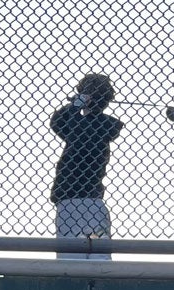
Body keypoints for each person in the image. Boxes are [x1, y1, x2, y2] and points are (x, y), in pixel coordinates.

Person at [50, 73, 123, 260]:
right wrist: (75, 106)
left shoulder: (103, 125)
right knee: (75, 259)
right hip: (74, 199)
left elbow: (77, 131)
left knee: (81, 260)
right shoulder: (86, 123)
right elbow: (58, 123)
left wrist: (76, 106)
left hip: (84, 198)